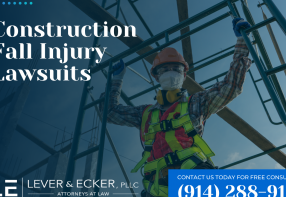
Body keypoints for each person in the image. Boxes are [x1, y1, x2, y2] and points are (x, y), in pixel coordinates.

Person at [99, 18, 252, 197]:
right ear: (157, 76)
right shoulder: (145, 114)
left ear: (184, 75)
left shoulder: (197, 103)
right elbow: (109, 113)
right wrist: (115, 82)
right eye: (165, 69)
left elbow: (230, 87)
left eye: (176, 69)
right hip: (158, 188)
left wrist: (242, 42)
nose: (171, 72)